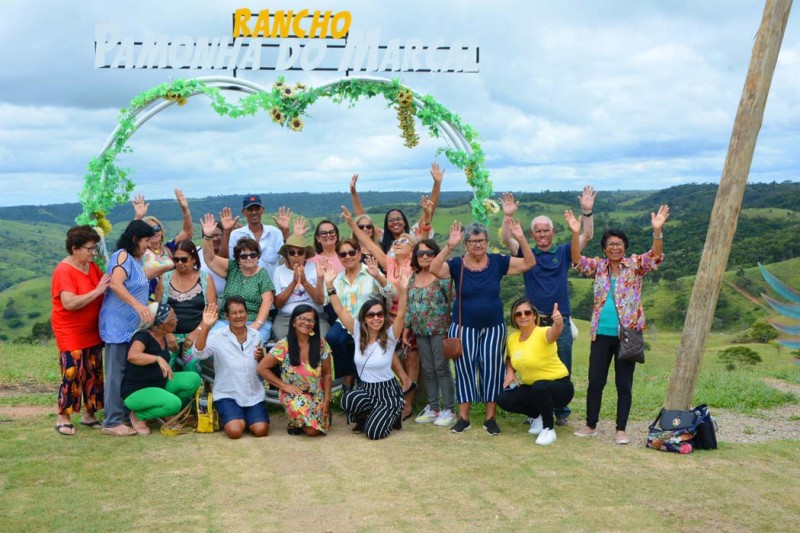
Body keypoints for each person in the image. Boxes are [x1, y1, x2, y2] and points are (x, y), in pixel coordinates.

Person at [569, 205, 670, 445]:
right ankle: (591, 424)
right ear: (604, 249)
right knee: (596, 381)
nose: (615, 247)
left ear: (625, 247)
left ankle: (621, 429)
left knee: (623, 383)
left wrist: (657, 232)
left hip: (627, 335)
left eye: (619, 244)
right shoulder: (597, 267)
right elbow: (575, 260)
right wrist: (576, 234)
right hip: (601, 334)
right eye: (610, 244)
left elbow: (655, 257)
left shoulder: (634, 265)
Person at [428, 218, 535, 435]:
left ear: (487, 242)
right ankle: (463, 418)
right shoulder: (457, 264)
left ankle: (490, 418)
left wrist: (521, 237)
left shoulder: (497, 262)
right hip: (463, 328)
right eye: (473, 241)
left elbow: (528, 263)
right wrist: (449, 245)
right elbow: (434, 269)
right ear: (466, 243)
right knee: (464, 370)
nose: (478, 245)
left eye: (482, 241)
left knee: (492, 371)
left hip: (493, 328)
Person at [500, 186, 596, 426]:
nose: (542, 235)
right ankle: (537, 411)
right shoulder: (527, 253)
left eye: (546, 231)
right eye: (538, 231)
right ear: (532, 234)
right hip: (531, 321)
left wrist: (587, 213)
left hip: (558, 319)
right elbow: (506, 239)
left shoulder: (564, 251)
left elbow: (586, 237)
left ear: (553, 231)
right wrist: (507, 216)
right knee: (532, 366)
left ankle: (560, 410)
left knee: (561, 366)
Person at [341, 202, 429, 418]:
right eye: (396, 241)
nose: (398, 243)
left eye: (404, 241)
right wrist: (352, 223)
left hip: (414, 315)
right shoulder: (389, 263)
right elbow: (368, 243)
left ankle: (407, 404)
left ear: (413, 248)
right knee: (385, 348)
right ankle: (400, 387)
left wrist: (427, 211)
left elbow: (426, 231)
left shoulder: (418, 265)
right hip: (392, 315)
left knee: (411, 356)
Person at [324, 265, 411, 440]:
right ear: (364, 318)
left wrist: (403, 290)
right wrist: (329, 285)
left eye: (380, 314)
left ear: (384, 317)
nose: (376, 318)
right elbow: (339, 310)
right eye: (371, 315)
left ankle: (393, 413)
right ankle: (369, 414)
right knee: (347, 400)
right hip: (366, 389)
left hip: (387, 392)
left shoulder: (390, 335)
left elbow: (401, 314)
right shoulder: (357, 332)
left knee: (373, 434)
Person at [51, 225, 111, 435]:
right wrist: (97, 292)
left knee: (93, 371)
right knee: (73, 371)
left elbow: (105, 284)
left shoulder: (91, 266)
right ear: (75, 248)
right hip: (70, 331)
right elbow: (69, 303)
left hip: (92, 329)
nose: (92, 253)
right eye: (89, 249)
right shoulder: (64, 270)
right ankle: (63, 415)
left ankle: (89, 414)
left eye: (94, 248)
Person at [98, 220, 156, 437]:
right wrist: (138, 305)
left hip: (130, 326)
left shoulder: (135, 259)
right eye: (146, 240)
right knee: (115, 373)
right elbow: (115, 283)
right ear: (135, 239)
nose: (149, 244)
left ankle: (121, 414)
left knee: (125, 371)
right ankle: (111, 421)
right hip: (117, 325)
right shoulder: (122, 256)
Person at [497, 299, 574, 446]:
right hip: (534, 388)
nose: (523, 316)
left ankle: (549, 429)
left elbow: (554, 333)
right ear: (514, 318)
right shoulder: (513, 339)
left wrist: (558, 322)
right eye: (518, 314)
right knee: (503, 399)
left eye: (527, 312)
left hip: (559, 387)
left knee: (540, 386)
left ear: (534, 316)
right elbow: (509, 358)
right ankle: (536, 416)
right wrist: (510, 371)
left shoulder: (543, 332)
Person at [193, 297, 270, 439]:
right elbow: (199, 353)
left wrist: (260, 357)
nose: (239, 316)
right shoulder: (217, 336)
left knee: (261, 430)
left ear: (247, 313)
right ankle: (234, 418)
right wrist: (205, 326)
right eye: (234, 313)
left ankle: (243, 417)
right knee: (235, 432)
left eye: (242, 312)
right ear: (227, 316)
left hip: (253, 393)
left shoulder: (256, 335)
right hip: (227, 393)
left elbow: (261, 365)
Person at [122, 303, 202, 435]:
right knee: (174, 404)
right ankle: (139, 415)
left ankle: (164, 412)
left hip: (159, 384)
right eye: (172, 318)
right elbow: (132, 355)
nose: (176, 320)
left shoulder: (163, 335)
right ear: (160, 322)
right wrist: (158, 359)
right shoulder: (143, 336)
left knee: (193, 379)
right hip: (137, 391)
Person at [257, 305, 333, 436]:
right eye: (302, 318)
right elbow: (262, 368)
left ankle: (297, 422)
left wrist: (326, 400)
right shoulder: (284, 345)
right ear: (293, 322)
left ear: (315, 324)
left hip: (316, 394)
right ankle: (299, 420)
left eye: (310, 320)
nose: (306, 323)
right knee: (313, 431)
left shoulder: (321, 344)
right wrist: (284, 386)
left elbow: (327, 374)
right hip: (293, 394)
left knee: (316, 424)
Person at [201, 213, 275, 345]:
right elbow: (210, 259)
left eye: (253, 255)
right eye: (244, 256)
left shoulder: (262, 274)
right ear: (237, 259)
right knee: (213, 343)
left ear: (258, 256)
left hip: (254, 321)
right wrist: (207, 237)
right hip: (227, 321)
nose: (249, 258)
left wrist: (254, 327)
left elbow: (267, 303)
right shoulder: (232, 267)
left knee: (249, 347)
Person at [404, 239, 456, 427]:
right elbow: (409, 306)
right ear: (415, 257)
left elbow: (452, 301)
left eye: (429, 253)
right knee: (427, 369)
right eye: (420, 254)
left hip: (440, 330)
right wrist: (406, 329)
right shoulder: (412, 277)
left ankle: (449, 409)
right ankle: (434, 408)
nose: (425, 257)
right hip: (419, 331)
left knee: (441, 368)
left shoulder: (442, 276)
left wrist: (451, 327)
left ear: (435, 255)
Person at [323, 238, 387, 391]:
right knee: (332, 338)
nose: (348, 257)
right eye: (343, 254)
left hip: (368, 322)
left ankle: (361, 385)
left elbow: (390, 292)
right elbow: (325, 300)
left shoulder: (370, 271)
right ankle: (348, 372)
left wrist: (378, 276)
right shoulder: (337, 278)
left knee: (360, 347)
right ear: (339, 258)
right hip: (345, 321)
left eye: (351, 252)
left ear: (359, 254)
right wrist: (324, 281)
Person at [349, 162, 443, 250]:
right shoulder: (382, 237)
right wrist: (353, 193)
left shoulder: (414, 234)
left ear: (404, 222)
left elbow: (429, 210)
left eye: (398, 219)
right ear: (387, 225)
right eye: (391, 220)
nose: (395, 222)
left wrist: (437, 183)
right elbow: (362, 218)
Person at [160, 239, 217, 372]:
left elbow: (212, 311)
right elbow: (159, 311)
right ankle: (169, 391)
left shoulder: (205, 279)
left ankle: (190, 391)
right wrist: (167, 333)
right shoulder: (165, 278)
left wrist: (196, 333)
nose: (180, 263)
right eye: (176, 259)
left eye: (184, 259)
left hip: (196, 334)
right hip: (170, 335)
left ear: (193, 259)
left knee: (192, 361)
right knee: (165, 360)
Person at [132, 190, 194, 300]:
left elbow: (187, 232)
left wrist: (185, 209)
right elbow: (129, 240)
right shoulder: (139, 252)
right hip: (149, 300)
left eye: (157, 228)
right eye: (149, 229)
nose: (154, 232)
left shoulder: (168, 248)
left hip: (174, 298)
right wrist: (137, 217)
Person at [271, 231, 326, 341]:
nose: (296, 256)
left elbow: (320, 300)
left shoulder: (316, 268)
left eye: (300, 252)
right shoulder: (279, 271)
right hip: (287, 318)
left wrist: (305, 282)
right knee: (285, 340)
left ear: (305, 254)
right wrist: (293, 283)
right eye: (292, 252)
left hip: (314, 315)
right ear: (287, 254)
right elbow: (277, 303)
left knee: (320, 339)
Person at [227, 194, 291, 281]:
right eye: (250, 209)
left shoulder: (275, 233)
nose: (254, 212)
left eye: (257, 208)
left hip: (271, 287)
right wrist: (226, 232)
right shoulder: (235, 235)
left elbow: (287, 259)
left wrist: (285, 231)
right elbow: (231, 262)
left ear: (262, 210)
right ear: (243, 212)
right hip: (245, 288)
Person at [198, 218, 227, 297]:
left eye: (217, 235)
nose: (214, 239)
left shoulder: (229, 253)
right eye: (211, 236)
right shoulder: (197, 252)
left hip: (225, 298)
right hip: (201, 298)